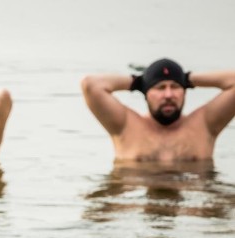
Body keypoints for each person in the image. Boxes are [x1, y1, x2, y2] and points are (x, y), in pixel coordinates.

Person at [81, 58, 235, 162]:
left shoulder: (205, 125)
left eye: (175, 87)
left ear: (185, 90)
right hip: (137, 204)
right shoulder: (125, 126)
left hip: (191, 205)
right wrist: (137, 82)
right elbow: (91, 85)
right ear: (145, 92)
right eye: (160, 87)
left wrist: (187, 78)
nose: (168, 95)